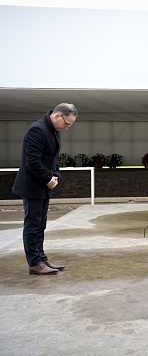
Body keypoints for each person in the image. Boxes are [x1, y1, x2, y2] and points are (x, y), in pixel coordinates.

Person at [12, 103, 78, 275]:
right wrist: (48, 178)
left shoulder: (54, 131)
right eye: (67, 124)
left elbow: (54, 159)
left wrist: (55, 176)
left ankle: (41, 258)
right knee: (33, 225)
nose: (67, 128)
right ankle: (34, 263)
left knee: (40, 224)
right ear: (57, 116)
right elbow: (32, 161)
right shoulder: (37, 130)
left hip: (44, 186)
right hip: (32, 186)